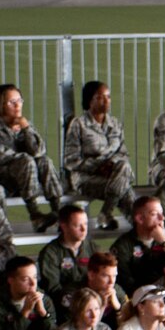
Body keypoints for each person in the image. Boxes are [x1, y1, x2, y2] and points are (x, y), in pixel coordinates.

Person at [0, 82, 64, 221]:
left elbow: (39, 151)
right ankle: (34, 213)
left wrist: (26, 129)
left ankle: (58, 209)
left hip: (24, 175)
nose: (18, 105)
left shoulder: (24, 123)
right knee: (26, 160)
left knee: (44, 161)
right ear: (0, 104)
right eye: (12, 102)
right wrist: (25, 159)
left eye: (19, 100)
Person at [62, 81, 135, 229]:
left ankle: (106, 214)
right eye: (100, 97)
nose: (106, 101)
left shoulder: (115, 123)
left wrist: (111, 164)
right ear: (90, 100)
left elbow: (123, 153)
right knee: (125, 191)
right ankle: (138, 230)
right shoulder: (79, 124)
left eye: (108, 96)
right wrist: (98, 167)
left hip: (113, 174)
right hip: (86, 178)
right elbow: (71, 160)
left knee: (123, 166)